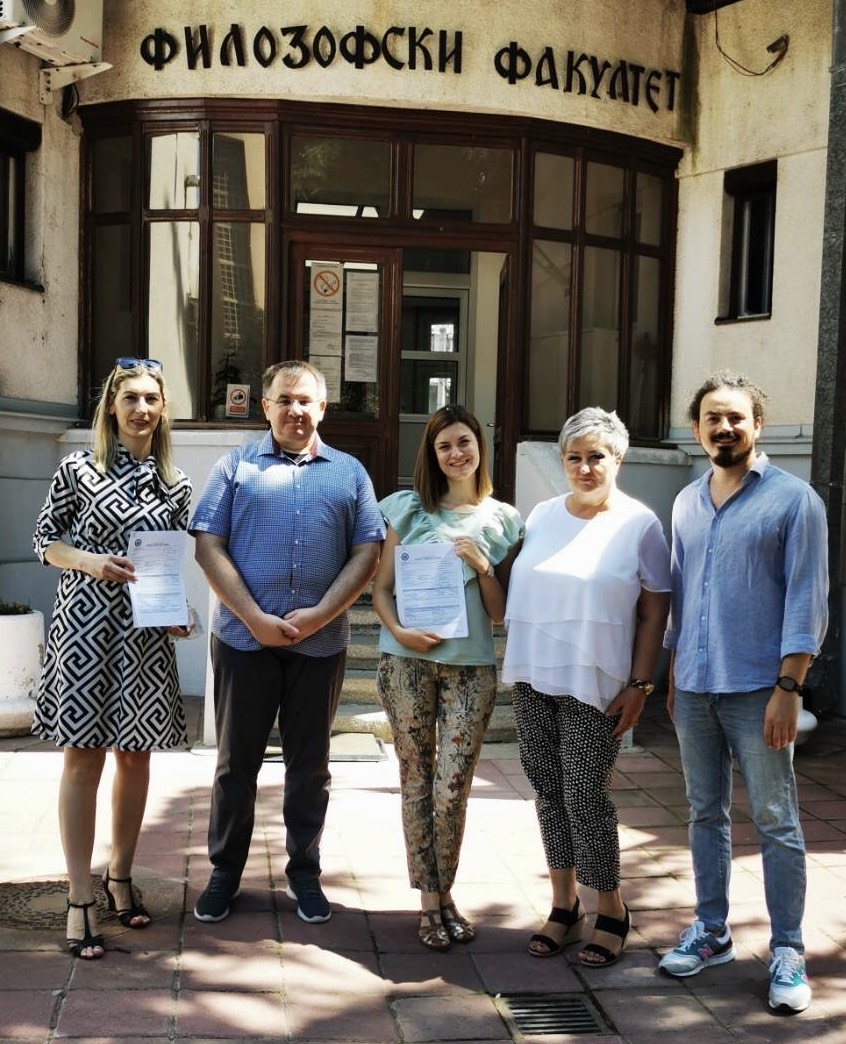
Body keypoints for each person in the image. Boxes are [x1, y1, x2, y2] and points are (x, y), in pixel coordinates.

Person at [189, 360, 385, 925]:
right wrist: (253, 618)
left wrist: (322, 614)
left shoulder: (350, 472)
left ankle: (304, 871)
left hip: (318, 645)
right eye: (285, 400)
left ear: (322, 408)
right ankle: (225, 872)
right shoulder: (235, 466)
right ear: (266, 406)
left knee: (311, 766)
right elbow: (207, 545)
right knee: (236, 766)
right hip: (243, 640)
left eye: (306, 401)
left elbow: (367, 552)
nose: (295, 410)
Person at [658, 372, 828, 1015]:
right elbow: (681, 595)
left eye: (735, 417)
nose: (723, 428)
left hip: (760, 687)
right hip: (695, 685)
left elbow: (807, 600)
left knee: (776, 820)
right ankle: (712, 931)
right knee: (704, 813)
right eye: (712, 418)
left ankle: (788, 949)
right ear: (697, 429)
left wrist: (790, 687)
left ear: (757, 425)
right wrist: (673, 673)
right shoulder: (686, 501)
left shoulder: (794, 500)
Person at [33, 358, 193, 960]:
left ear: (163, 408)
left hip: (144, 637)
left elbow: (172, 562)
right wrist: (92, 562)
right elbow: (43, 542)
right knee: (82, 758)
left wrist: (180, 611)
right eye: (130, 398)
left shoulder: (175, 483)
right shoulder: (78, 469)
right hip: (84, 629)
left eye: (151, 398)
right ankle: (80, 894)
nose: (141, 409)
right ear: (111, 406)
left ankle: (120, 875)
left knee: (135, 757)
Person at [502, 407, 670, 967]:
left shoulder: (640, 524)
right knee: (548, 790)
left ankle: (612, 909)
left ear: (618, 459)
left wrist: (641, 683)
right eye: (573, 457)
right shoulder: (542, 514)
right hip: (534, 674)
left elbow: (654, 611)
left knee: (585, 795)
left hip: (596, 682)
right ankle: (564, 905)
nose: (584, 467)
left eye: (596, 456)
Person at [372, 404, 523, 950]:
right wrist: (398, 631)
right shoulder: (408, 509)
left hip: (470, 669)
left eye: (464, 442)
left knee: (453, 786)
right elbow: (381, 589)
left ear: (480, 446)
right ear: (432, 455)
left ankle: (446, 891)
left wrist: (482, 567)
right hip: (406, 661)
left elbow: (499, 614)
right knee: (416, 779)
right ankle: (430, 902)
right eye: (444, 446)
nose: (456, 454)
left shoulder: (503, 519)